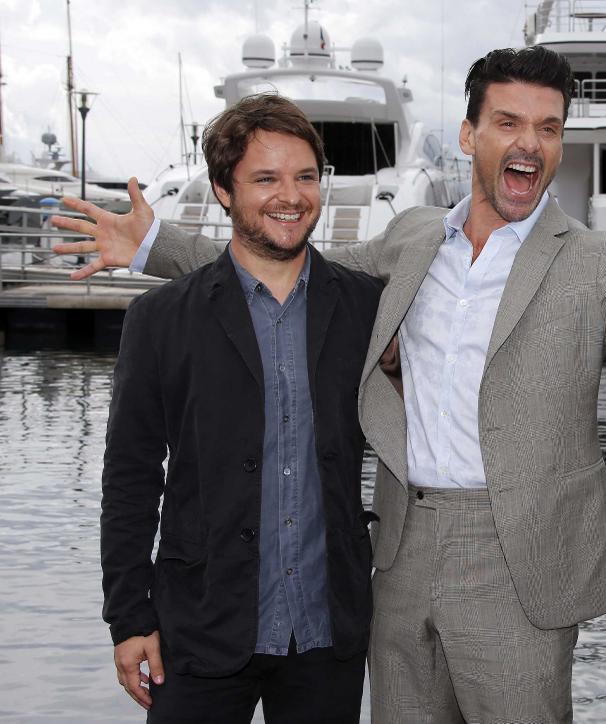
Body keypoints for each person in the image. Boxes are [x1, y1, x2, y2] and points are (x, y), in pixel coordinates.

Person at [57, 48, 606, 723]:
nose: (529, 144)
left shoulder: (593, 263)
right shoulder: (409, 240)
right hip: (399, 553)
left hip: (517, 563)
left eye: (548, 127)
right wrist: (154, 247)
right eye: (508, 122)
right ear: (469, 133)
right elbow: (287, 265)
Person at [98, 94, 382, 722]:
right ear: (224, 191)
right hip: (197, 627)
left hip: (328, 633)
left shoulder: (366, 309)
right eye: (266, 179)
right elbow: (130, 478)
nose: (291, 196)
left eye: (305, 176)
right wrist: (129, 616)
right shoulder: (160, 320)